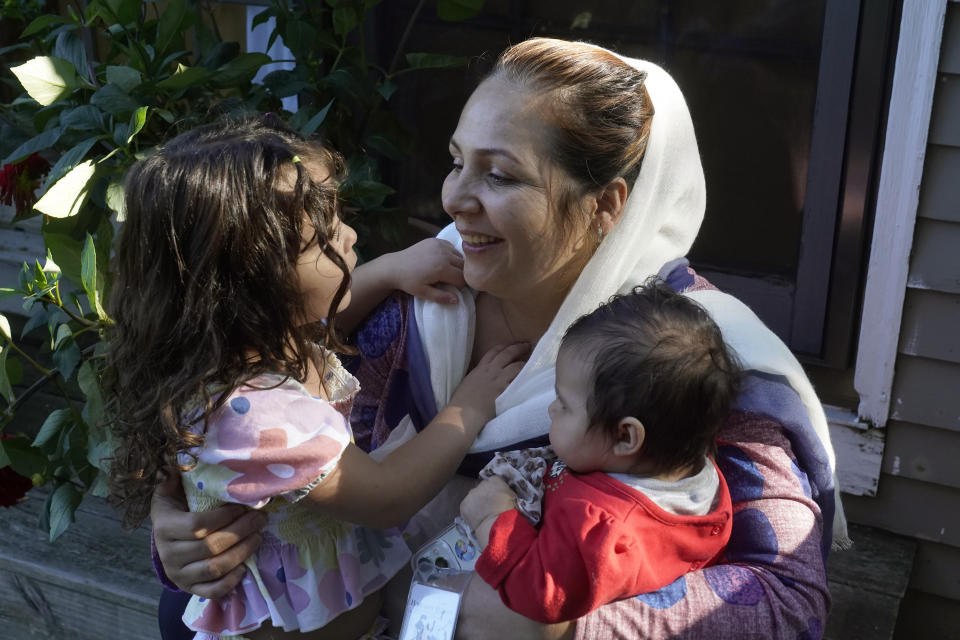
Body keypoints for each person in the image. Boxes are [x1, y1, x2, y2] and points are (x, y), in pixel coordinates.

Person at [149, 38, 848, 639]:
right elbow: (253, 423)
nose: (453, 199)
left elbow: (785, 599)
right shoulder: (419, 301)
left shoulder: (689, 358)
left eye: (500, 174)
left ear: (607, 205)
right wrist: (181, 530)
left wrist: (573, 627)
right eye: (457, 161)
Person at [104, 117, 528, 639]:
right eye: (320, 236)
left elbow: (328, 322)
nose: (348, 233)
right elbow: (386, 496)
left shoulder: (245, 352)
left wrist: (392, 269)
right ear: (253, 285)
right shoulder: (255, 412)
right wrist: (469, 408)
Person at [460, 282, 740, 623]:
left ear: (626, 436)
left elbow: (541, 591)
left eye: (564, 404)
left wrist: (491, 519)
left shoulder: (604, 531)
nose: (551, 409)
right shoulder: (689, 465)